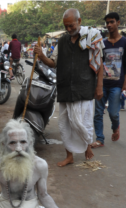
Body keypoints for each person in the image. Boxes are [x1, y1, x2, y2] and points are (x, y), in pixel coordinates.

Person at [0, 119, 94, 208]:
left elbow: (43, 195)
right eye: (12, 143)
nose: (19, 148)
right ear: (4, 145)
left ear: (30, 143)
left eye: (23, 142)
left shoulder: (40, 165)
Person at [34, 8, 104, 167]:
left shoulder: (90, 38)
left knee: (82, 122)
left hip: (84, 88)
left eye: (71, 25)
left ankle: (87, 145)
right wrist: (42, 56)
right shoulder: (62, 41)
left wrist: (99, 86)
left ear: (79, 21)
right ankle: (69, 156)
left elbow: (99, 64)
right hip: (65, 88)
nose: (69, 29)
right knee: (65, 124)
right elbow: (53, 63)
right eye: (66, 26)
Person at [92, 12, 126, 148]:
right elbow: (99, 64)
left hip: (117, 85)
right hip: (102, 84)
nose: (109, 25)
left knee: (113, 113)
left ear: (118, 22)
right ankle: (100, 139)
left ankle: (115, 126)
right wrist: (97, 84)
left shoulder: (124, 42)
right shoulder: (103, 43)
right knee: (98, 113)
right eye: (107, 23)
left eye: (112, 22)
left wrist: (124, 84)